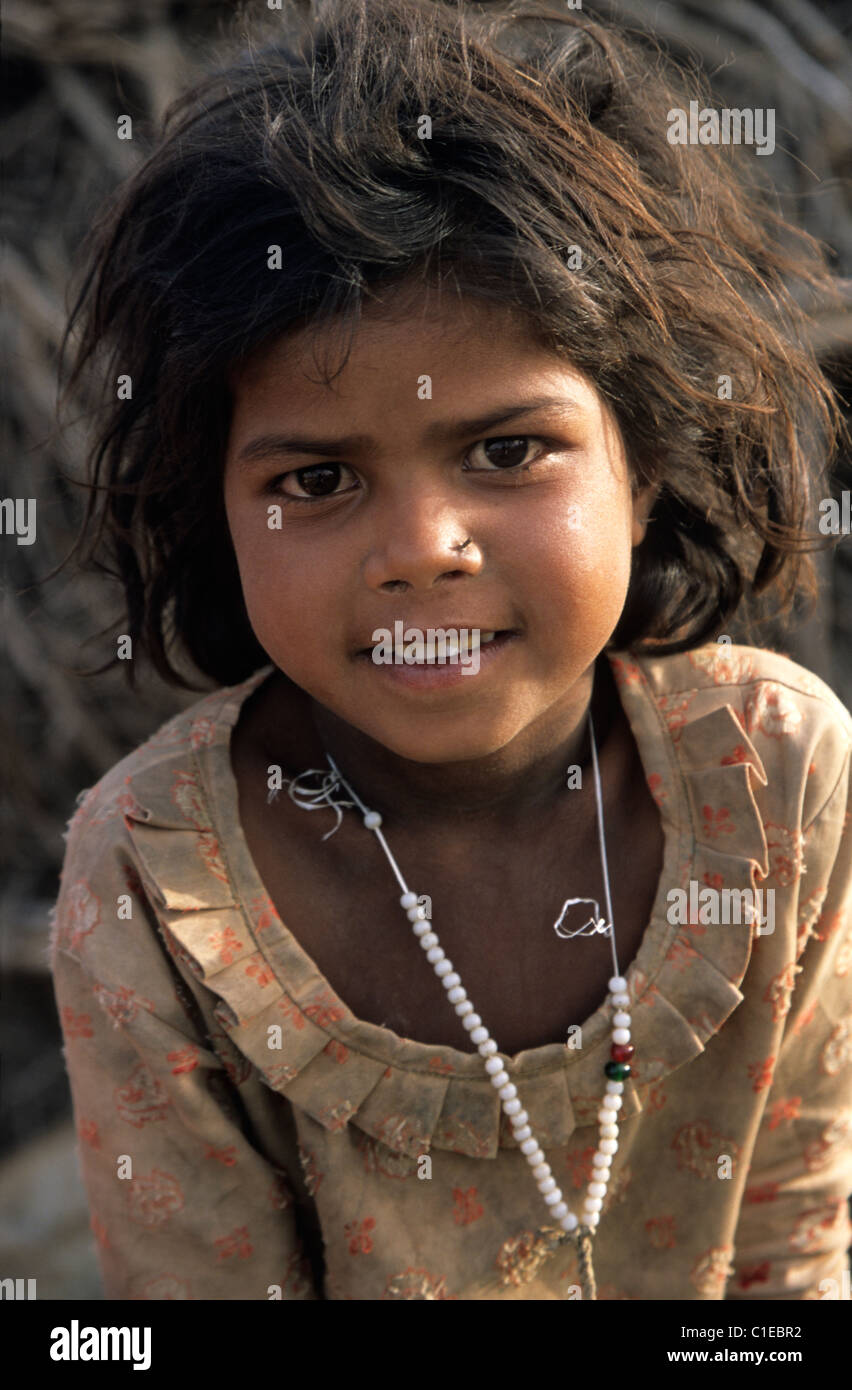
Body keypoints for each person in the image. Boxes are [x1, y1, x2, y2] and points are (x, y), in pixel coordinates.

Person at [50, 0, 851, 1300]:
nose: (423, 548)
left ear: (642, 467)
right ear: (217, 510)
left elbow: (790, 1271)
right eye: (317, 479)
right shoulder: (154, 886)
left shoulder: (776, 780)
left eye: (506, 450)